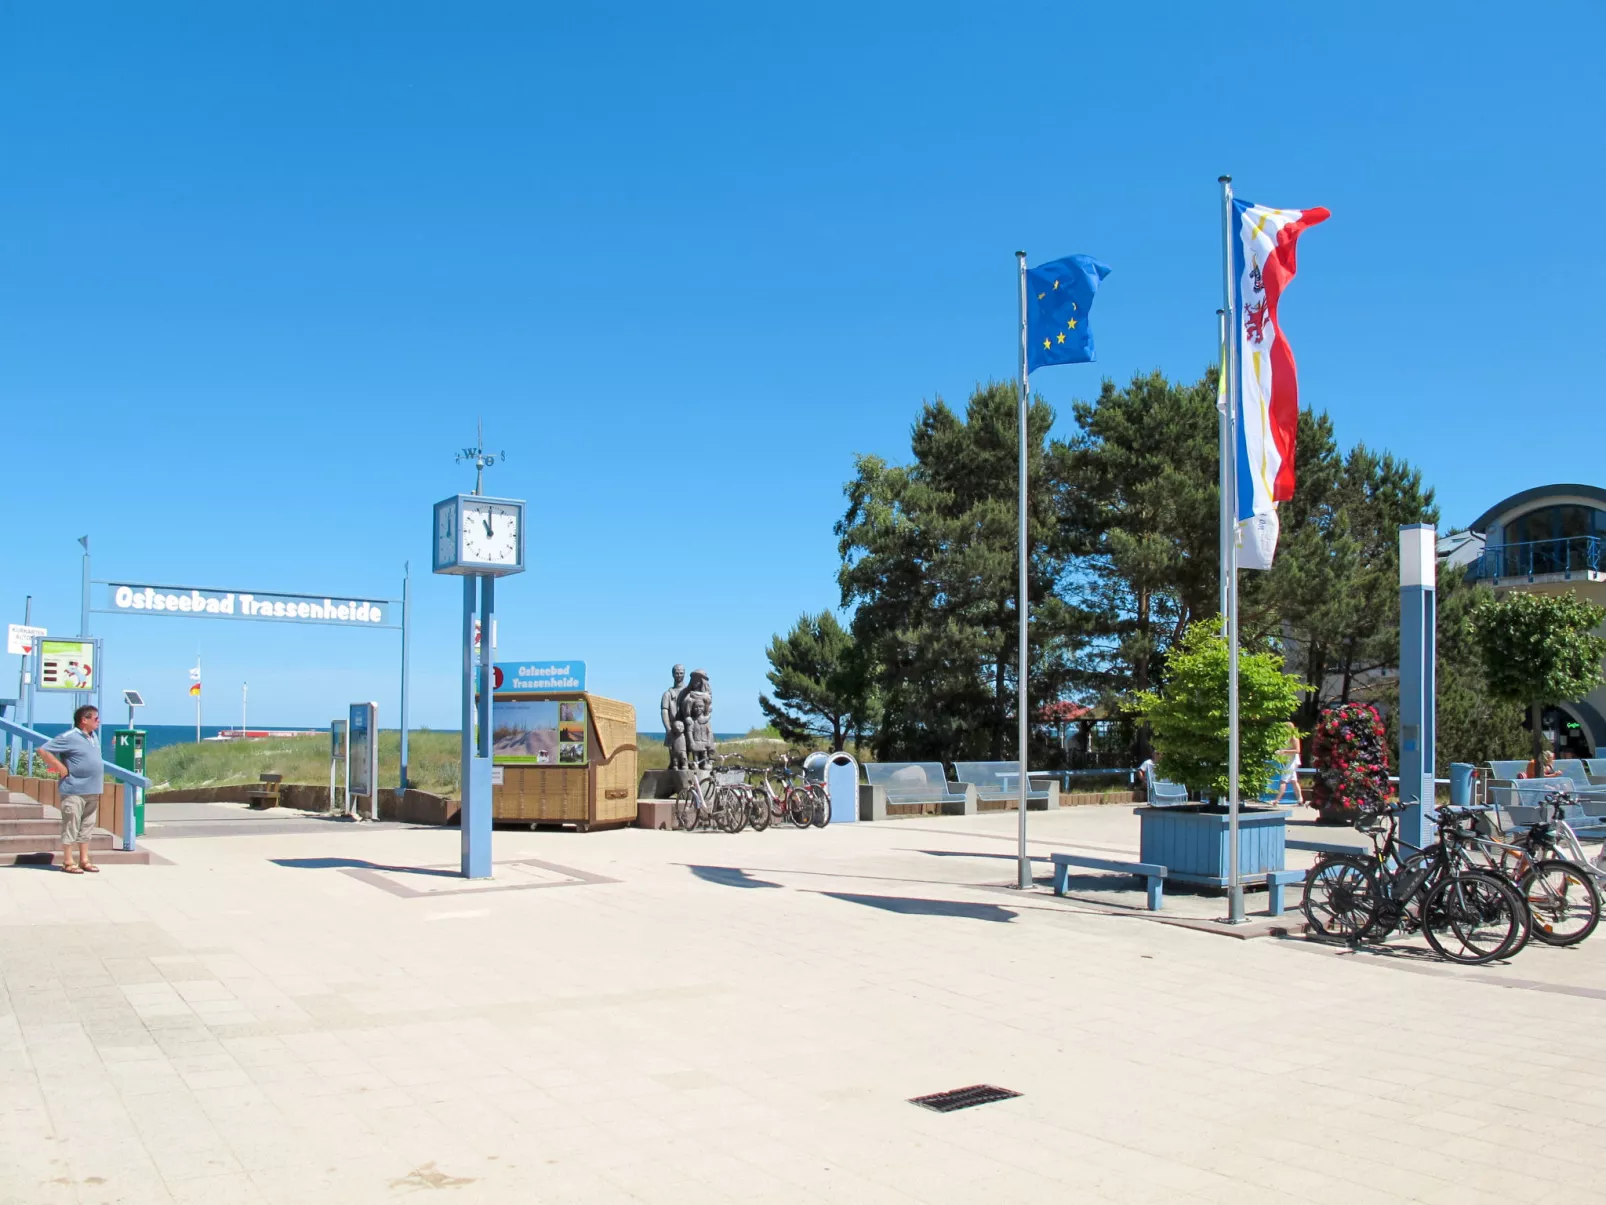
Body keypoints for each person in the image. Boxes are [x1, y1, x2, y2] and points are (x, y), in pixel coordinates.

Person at [38, 705, 104, 874]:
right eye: (95, 718)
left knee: (87, 826)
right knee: (71, 825)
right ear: (84, 720)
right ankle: (68, 861)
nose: (98, 721)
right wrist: (61, 768)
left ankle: (84, 860)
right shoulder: (69, 737)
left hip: (93, 790)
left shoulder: (93, 736)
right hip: (74, 790)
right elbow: (44, 750)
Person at [1264, 722, 1304, 806]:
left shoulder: (1294, 738)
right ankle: (1300, 800)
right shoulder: (1286, 738)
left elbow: (1297, 750)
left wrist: (1284, 751)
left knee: (1283, 781)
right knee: (1293, 781)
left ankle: (1276, 800)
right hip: (1288, 761)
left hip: (1292, 761)